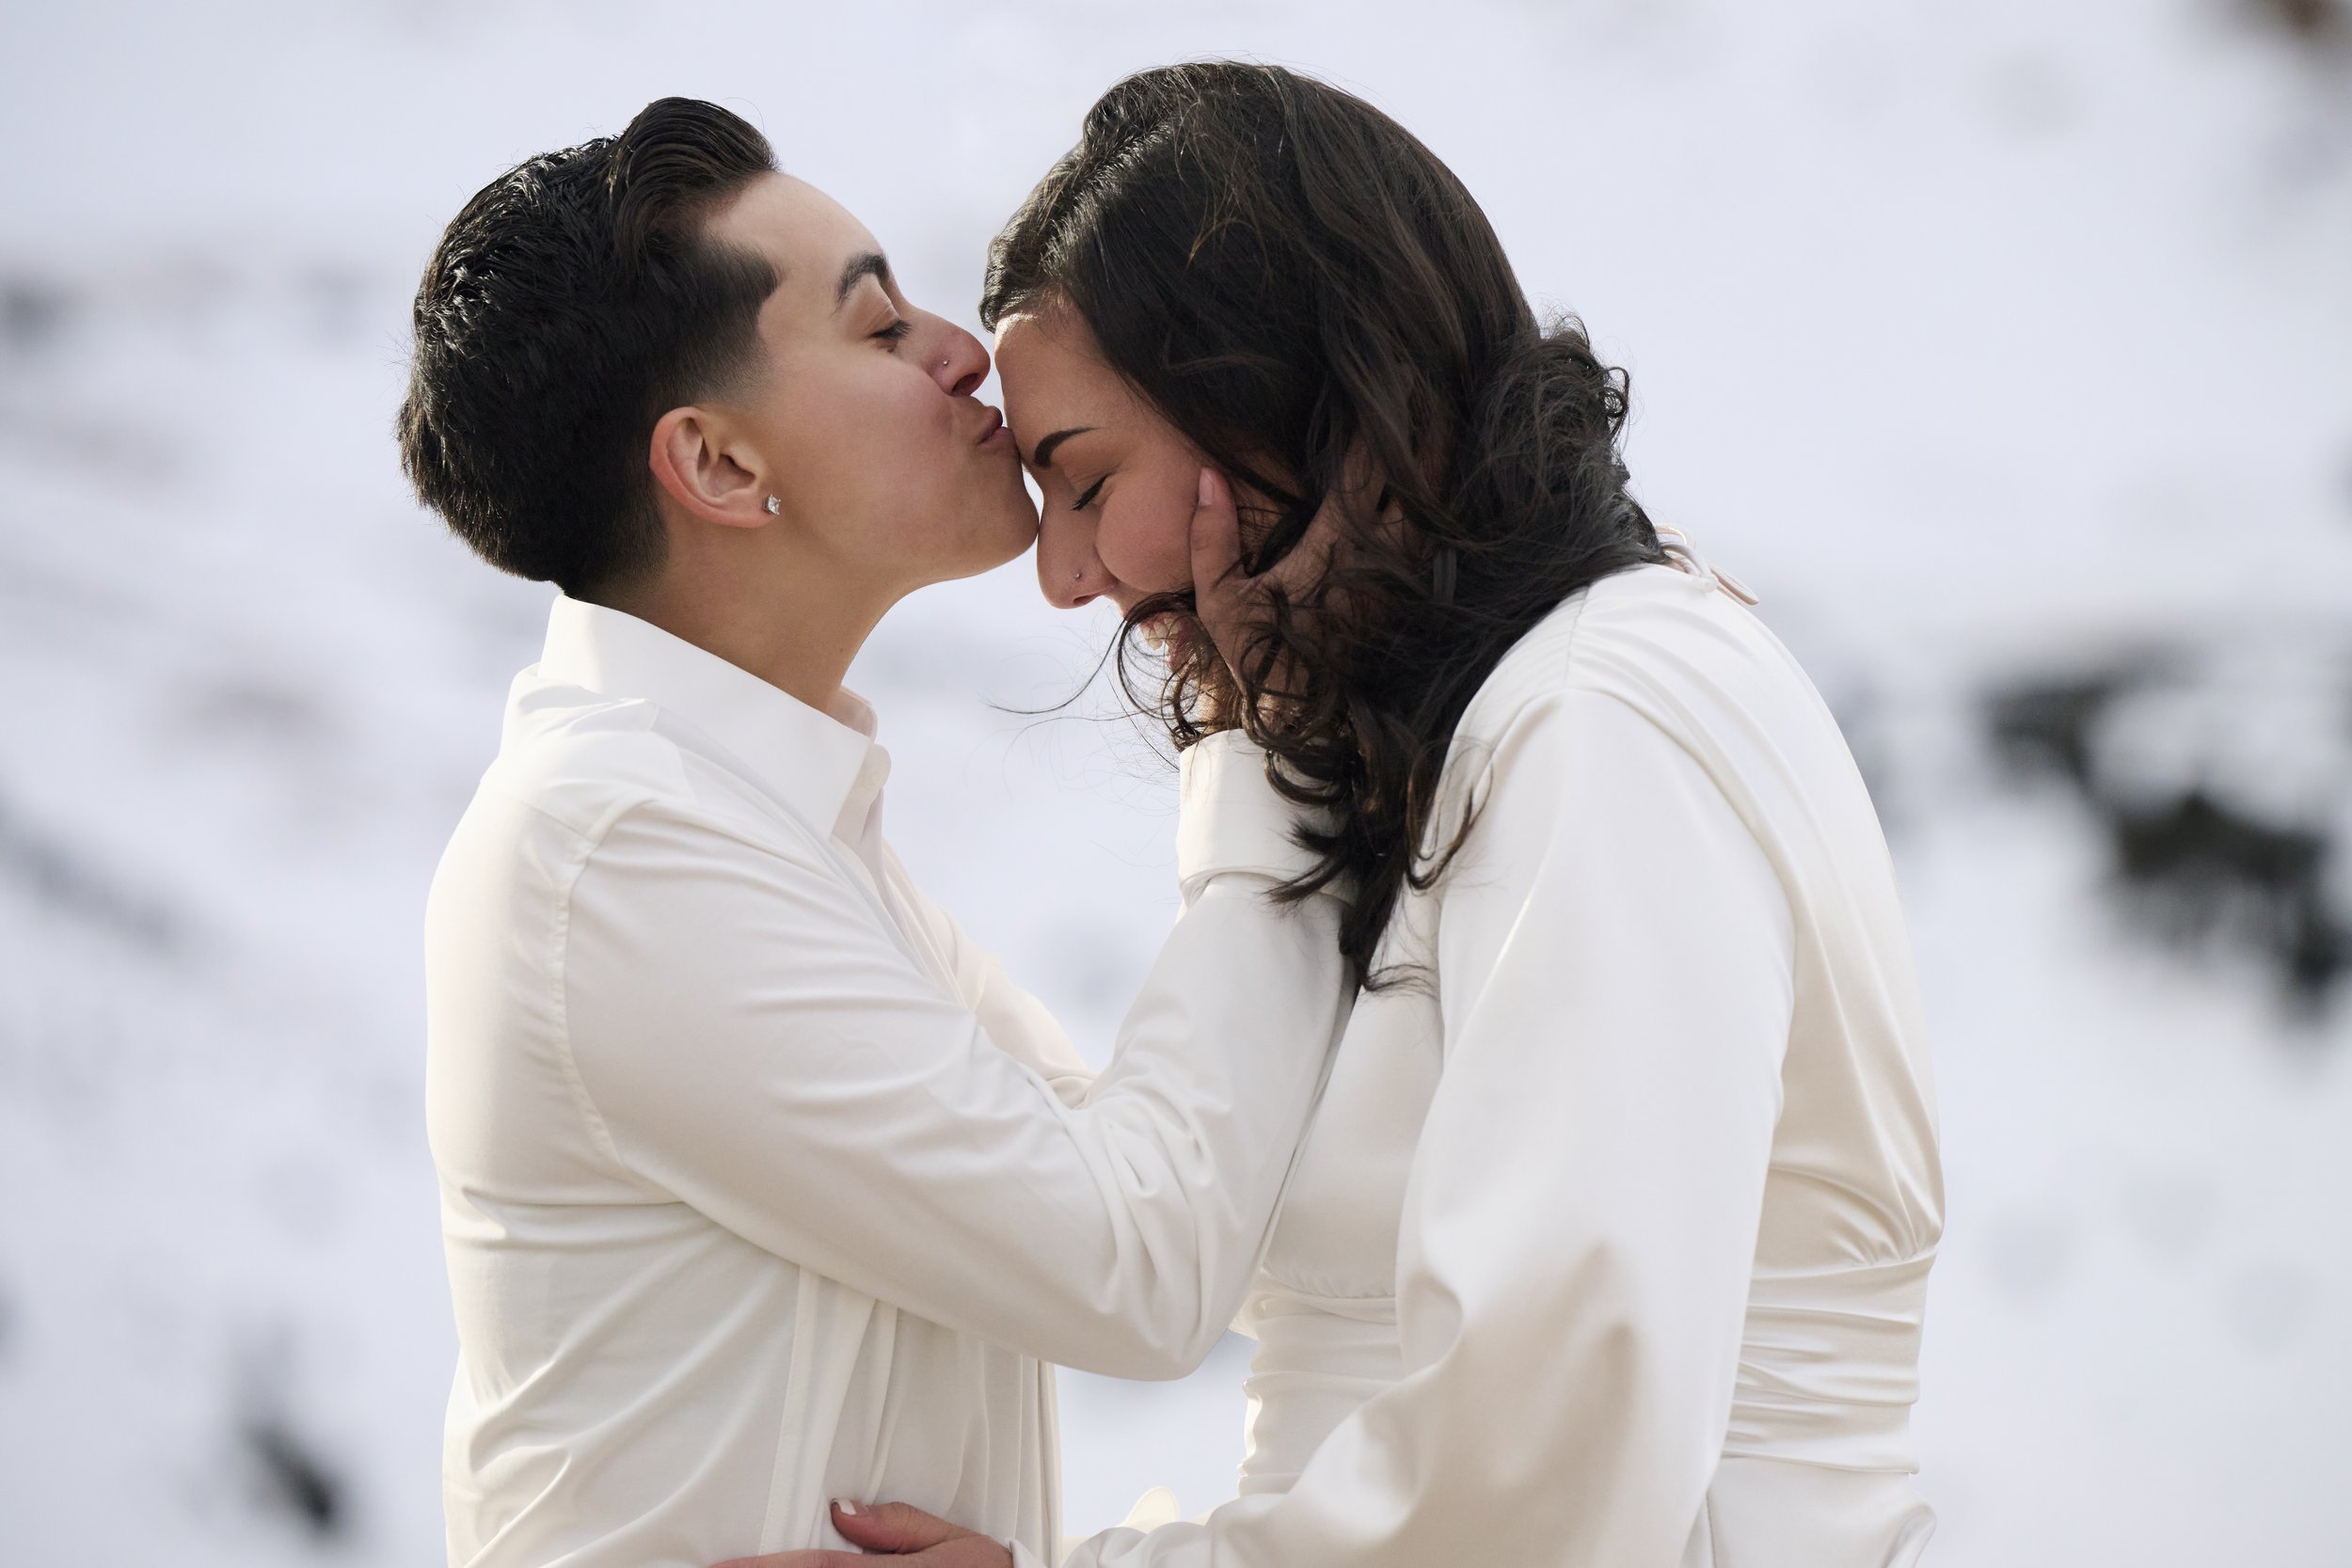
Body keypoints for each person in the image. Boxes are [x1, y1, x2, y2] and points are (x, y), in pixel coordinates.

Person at [745, 61, 1945, 1568]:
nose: (1059, 576)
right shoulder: (1481, 738)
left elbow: (1553, 1451)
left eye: (1083, 477)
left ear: (1285, 400)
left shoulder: (1601, 719)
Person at [401, 97, 1356, 1568]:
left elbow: (1203, 1203)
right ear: (718, 466)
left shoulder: (762, 828)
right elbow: (1143, 1262)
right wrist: (1264, 724)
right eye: (875, 328)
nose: (961, 349)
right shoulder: (618, 854)